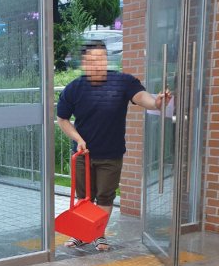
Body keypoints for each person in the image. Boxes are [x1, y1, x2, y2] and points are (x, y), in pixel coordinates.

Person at [56, 39, 171, 251]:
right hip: (83, 154)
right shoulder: (74, 88)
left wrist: (156, 103)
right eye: (92, 60)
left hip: (111, 153)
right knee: (84, 197)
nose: (97, 64)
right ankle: (80, 234)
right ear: (84, 63)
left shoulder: (122, 82)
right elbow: (62, 119)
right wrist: (78, 139)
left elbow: (141, 97)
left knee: (105, 196)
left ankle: (97, 235)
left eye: (101, 58)